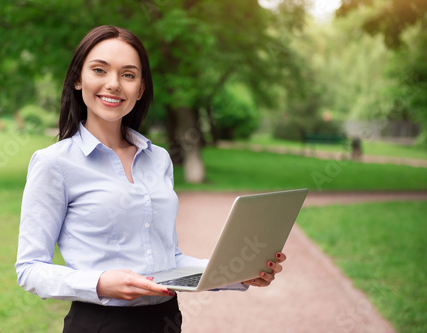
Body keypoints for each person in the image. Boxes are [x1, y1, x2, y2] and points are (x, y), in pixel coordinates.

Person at [15, 25, 286, 333]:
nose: (114, 84)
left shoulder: (158, 159)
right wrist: (100, 283)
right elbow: (29, 269)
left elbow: (169, 260)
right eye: (99, 70)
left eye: (128, 75)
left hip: (166, 321)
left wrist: (238, 272)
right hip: (101, 324)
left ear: (141, 88)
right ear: (78, 79)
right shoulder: (54, 164)